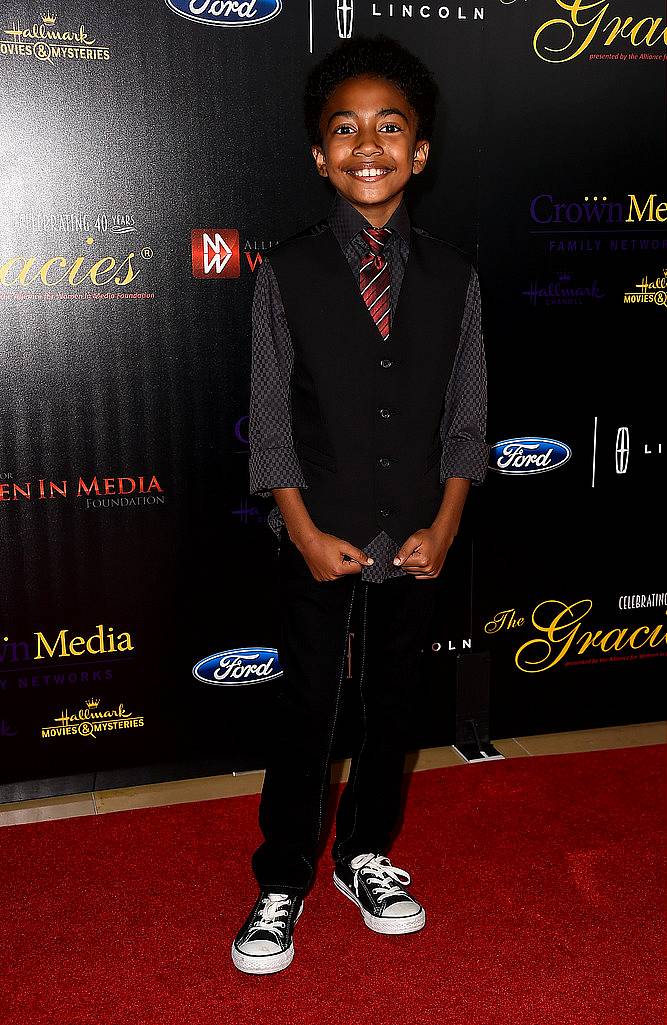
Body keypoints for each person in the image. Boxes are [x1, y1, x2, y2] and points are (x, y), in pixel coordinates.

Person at [232, 33, 488, 975]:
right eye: (344, 128)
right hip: (317, 531)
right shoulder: (285, 274)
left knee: (394, 705)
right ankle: (282, 877)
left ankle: (366, 853)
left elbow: (467, 421)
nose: (366, 144)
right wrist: (299, 529)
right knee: (306, 706)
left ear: (419, 150)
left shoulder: (456, 279)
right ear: (318, 153)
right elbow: (268, 422)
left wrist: (446, 524)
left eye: (390, 127)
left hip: (417, 531)